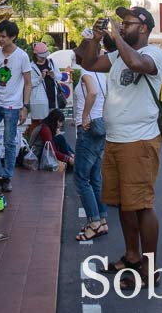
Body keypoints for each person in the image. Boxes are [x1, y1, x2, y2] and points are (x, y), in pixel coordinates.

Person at [75, 6, 162, 289]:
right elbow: (88, 63)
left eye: (128, 22)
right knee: (125, 204)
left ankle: (150, 270)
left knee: (142, 205)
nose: (123, 25)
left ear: (144, 28)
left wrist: (114, 33)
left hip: (139, 142)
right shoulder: (116, 55)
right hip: (115, 140)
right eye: (121, 22)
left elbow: (137, 63)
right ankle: (131, 256)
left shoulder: (153, 54)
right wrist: (94, 38)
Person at [0, 20, 32, 193]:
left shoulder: (22, 56)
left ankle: (7, 176)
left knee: (10, 142)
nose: (0, 39)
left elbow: (27, 83)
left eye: (3, 37)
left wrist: (25, 107)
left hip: (13, 106)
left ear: (13, 37)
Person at [72, 63, 108, 242]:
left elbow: (92, 93)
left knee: (81, 178)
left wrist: (85, 115)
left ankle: (94, 224)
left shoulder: (86, 72)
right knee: (95, 177)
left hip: (88, 129)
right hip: (100, 126)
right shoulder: (101, 73)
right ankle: (101, 219)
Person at [28, 42, 62, 135]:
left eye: (45, 55)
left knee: (52, 124)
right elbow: (28, 84)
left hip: (52, 99)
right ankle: (36, 145)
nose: (43, 58)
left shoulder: (51, 62)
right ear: (35, 54)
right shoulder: (31, 66)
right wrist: (40, 78)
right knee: (38, 126)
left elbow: (60, 77)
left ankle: (51, 146)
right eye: (41, 56)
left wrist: (53, 75)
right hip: (39, 101)